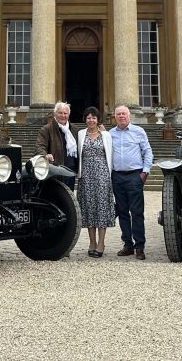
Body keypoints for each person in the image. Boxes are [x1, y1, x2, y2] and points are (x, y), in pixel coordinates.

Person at [110, 104, 152, 260]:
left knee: (137, 213)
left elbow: (147, 151)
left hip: (134, 176)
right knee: (122, 213)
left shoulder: (138, 131)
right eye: (118, 114)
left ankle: (139, 246)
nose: (121, 116)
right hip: (117, 177)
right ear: (115, 117)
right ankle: (127, 244)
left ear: (129, 116)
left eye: (124, 114)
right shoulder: (110, 134)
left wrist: (145, 172)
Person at [77, 106, 114, 258]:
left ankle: (101, 243)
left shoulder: (106, 135)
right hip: (85, 176)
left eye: (94, 117)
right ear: (85, 119)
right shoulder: (80, 134)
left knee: (102, 209)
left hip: (102, 176)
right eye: (88, 117)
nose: (91, 120)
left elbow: (111, 155)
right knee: (88, 209)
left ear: (98, 120)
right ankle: (92, 242)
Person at [35, 101, 78, 189]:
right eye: (60, 113)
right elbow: (39, 146)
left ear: (68, 115)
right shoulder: (46, 129)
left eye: (65, 113)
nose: (63, 115)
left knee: (69, 200)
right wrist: (45, 155)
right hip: (55, 171)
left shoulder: (74, 129)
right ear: (55, 114)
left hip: (70, 171)